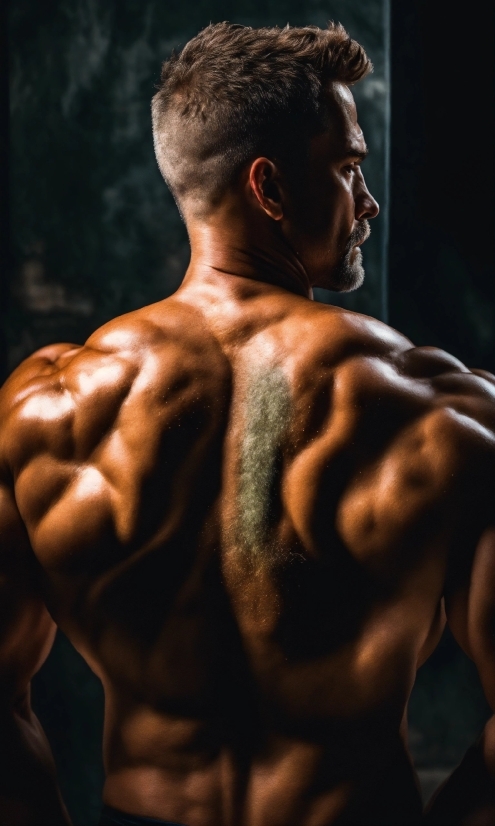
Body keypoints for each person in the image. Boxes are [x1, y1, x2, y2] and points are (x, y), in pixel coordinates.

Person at [0, 21, 494, 826]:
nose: (366, 202)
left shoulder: (46, 416)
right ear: (268, 188)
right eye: (346, 169)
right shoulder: (437, 414)